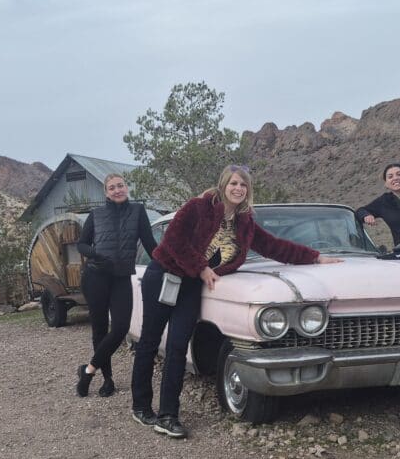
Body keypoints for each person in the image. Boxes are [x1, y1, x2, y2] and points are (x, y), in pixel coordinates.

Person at [131, 164, 342, 440]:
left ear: (248, 190)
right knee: (149, 341)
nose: (238, 189)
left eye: (243, 185)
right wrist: (202, 267)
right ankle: (141, 406)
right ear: (223, 185)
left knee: (178, 346)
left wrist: (315, 257)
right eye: (233, 183)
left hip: (192, 285)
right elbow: (174, 240)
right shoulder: (198, 206)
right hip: (164, 275)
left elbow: (275, 246)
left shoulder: (245, 223)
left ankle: (169, 415)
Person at [75, 173, 157, 398]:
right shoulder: (96, 214)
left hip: (121, 278)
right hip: (95, 277)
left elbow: (150, 244)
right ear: (106, 192)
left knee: (120, 327)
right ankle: (107, 380)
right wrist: (96, 254)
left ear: (126, 188)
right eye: (112, 188)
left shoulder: (138, 212)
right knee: (99, 330)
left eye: (120, 186)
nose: (117, 190)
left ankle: (88, 371)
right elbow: (81, 244)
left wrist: (168, 264)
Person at [354, 162, 400, 245]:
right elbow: (360, 210)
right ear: (386, 183)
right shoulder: (384, 201)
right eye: (390, 177)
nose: (395, 178)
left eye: (399, 174)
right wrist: (366, 215)